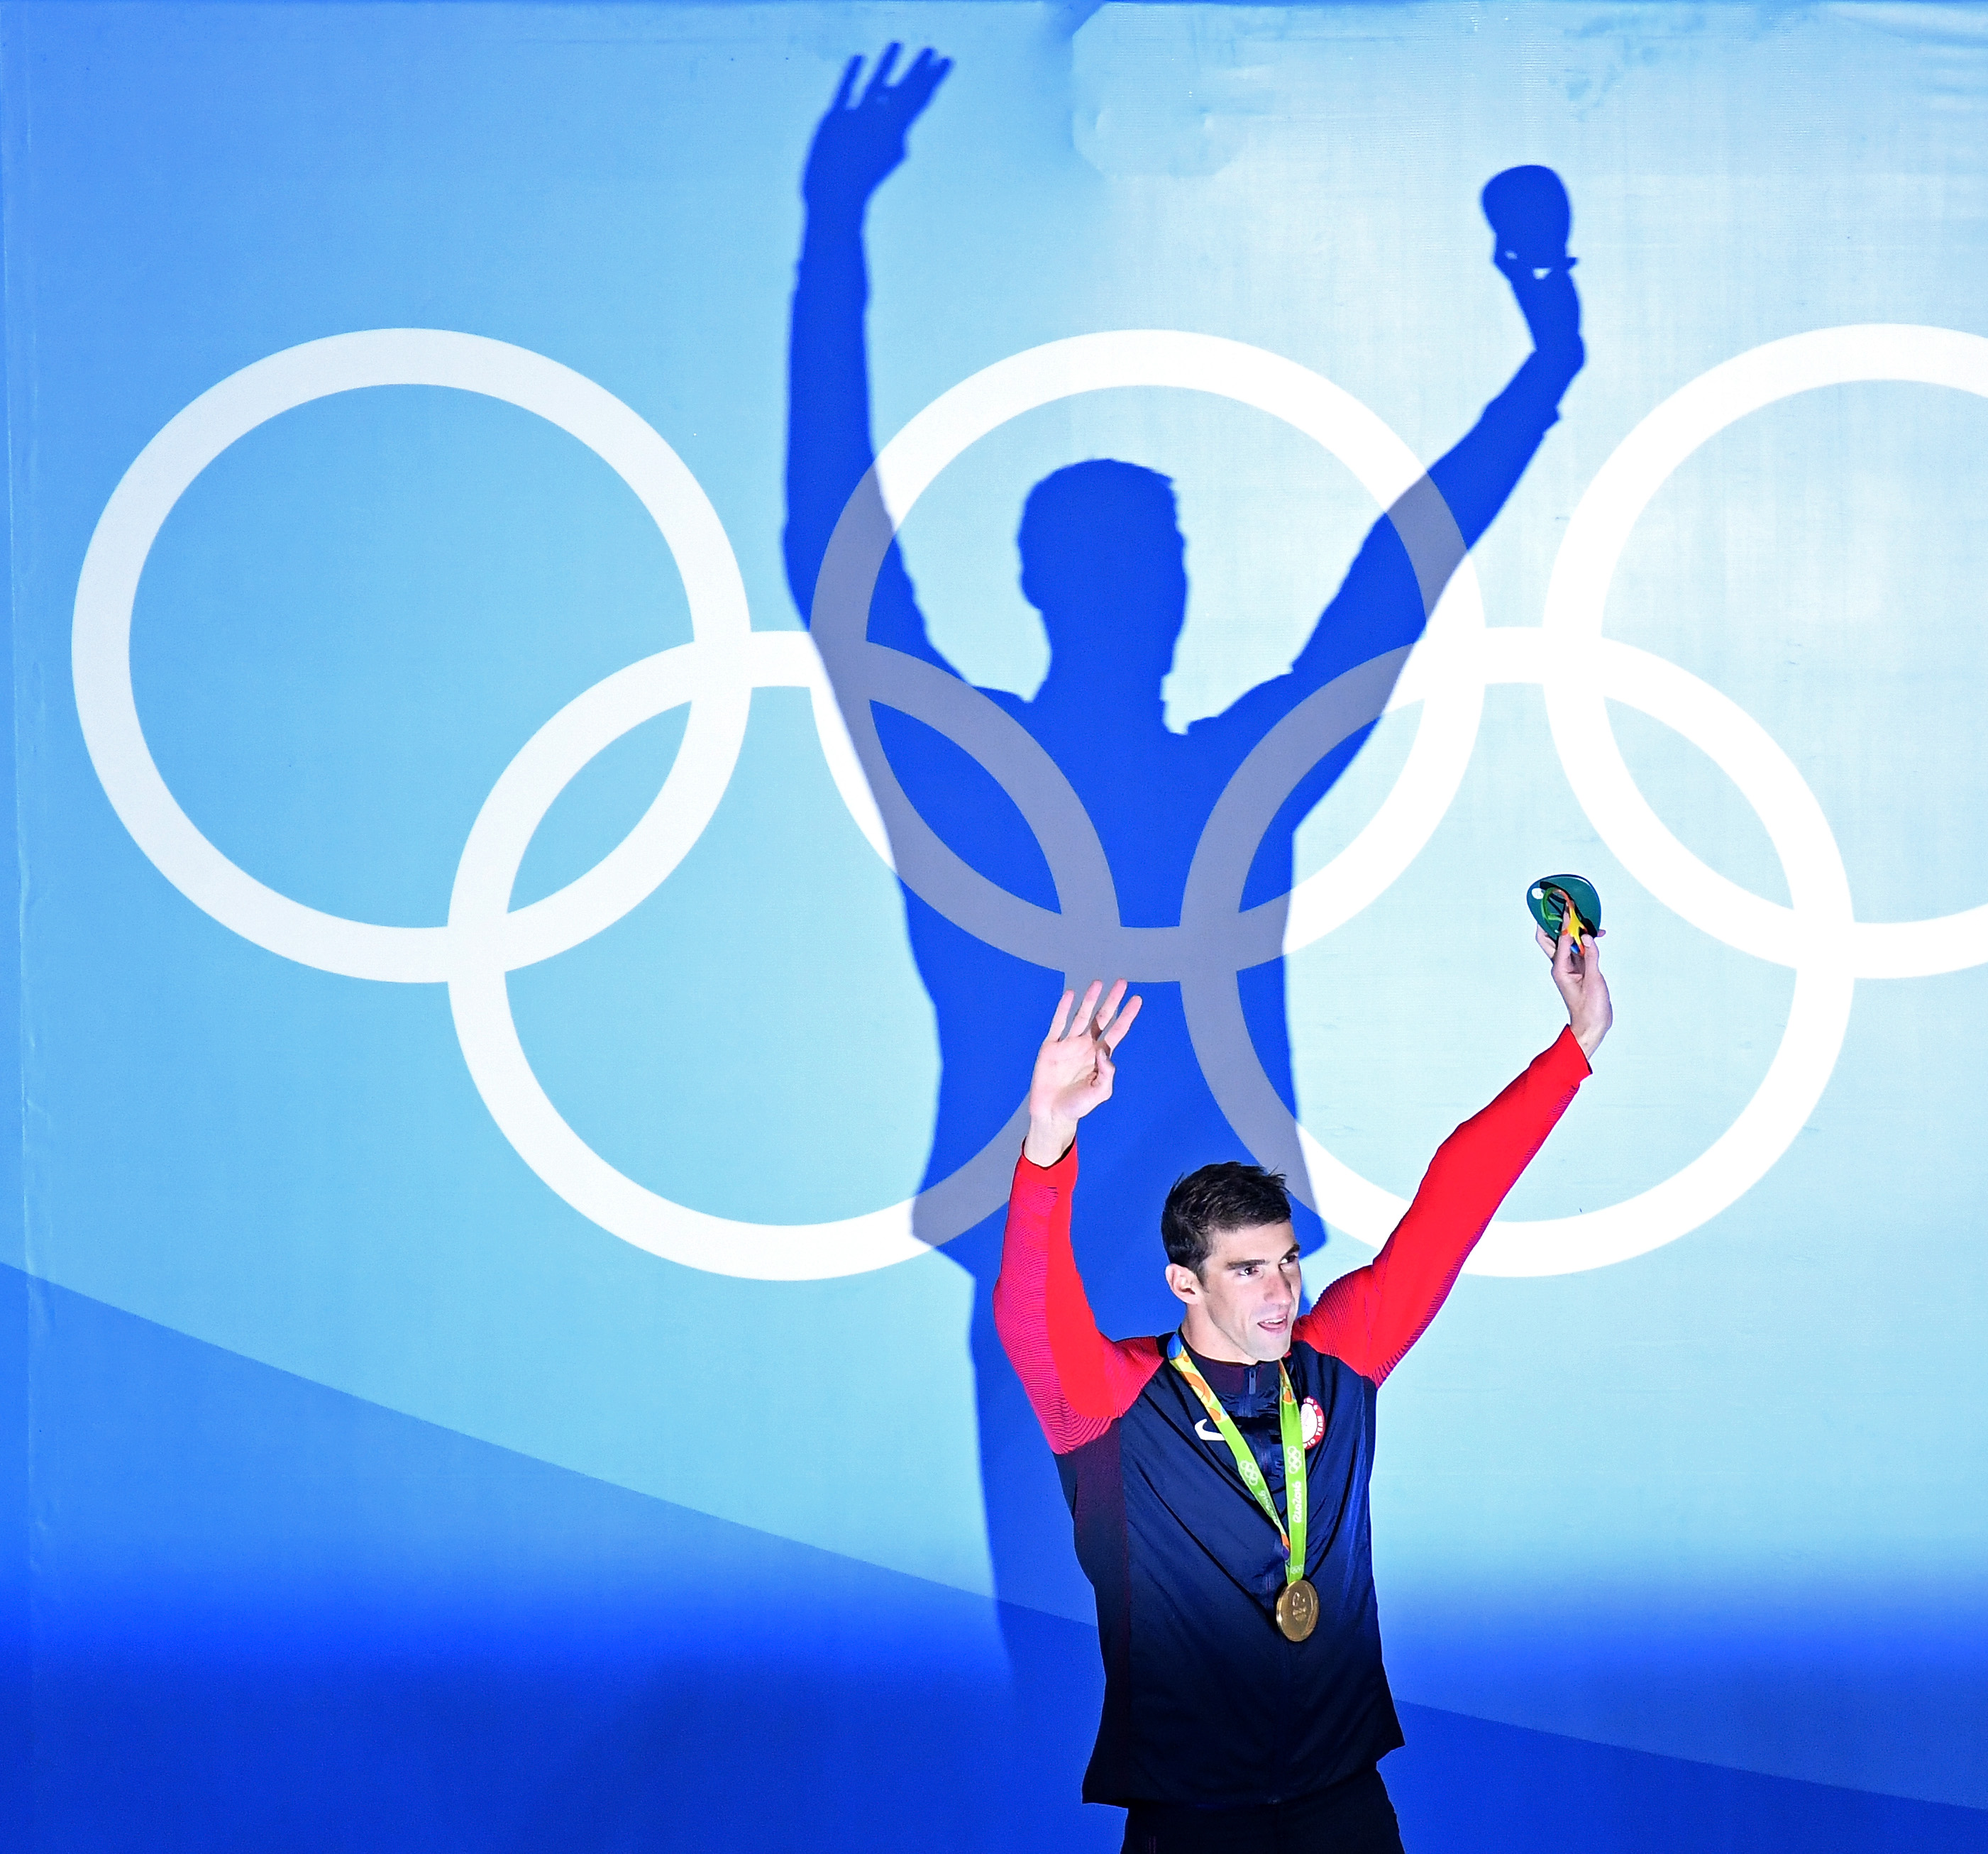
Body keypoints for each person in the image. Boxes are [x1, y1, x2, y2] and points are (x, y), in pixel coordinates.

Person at [781, 43, 1594, 1630]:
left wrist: (1545, 374)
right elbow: (830, 536)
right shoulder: (975, 770)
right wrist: (833, 238)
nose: (1151, 580)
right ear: (1054, 585)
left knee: (1258, 1687)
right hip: (1052, 1297)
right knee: (1084, 1698)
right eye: (1127, 552)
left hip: (1237, 1317)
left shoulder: (1232, 771)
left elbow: (1397, 575)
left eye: (1162, 551)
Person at [998, 922, 1612, 1851]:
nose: (1283, 1288)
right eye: (1247, 1269)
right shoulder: (1115, 1406)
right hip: (1193, 1823)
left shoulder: (1340, 1357)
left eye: (1287, 1261)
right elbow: (1027, 1306)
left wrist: (1575, 1048)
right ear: (1185, 1282)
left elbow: (1455, 1201)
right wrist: (1049, 1137)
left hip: (1342, 1807)